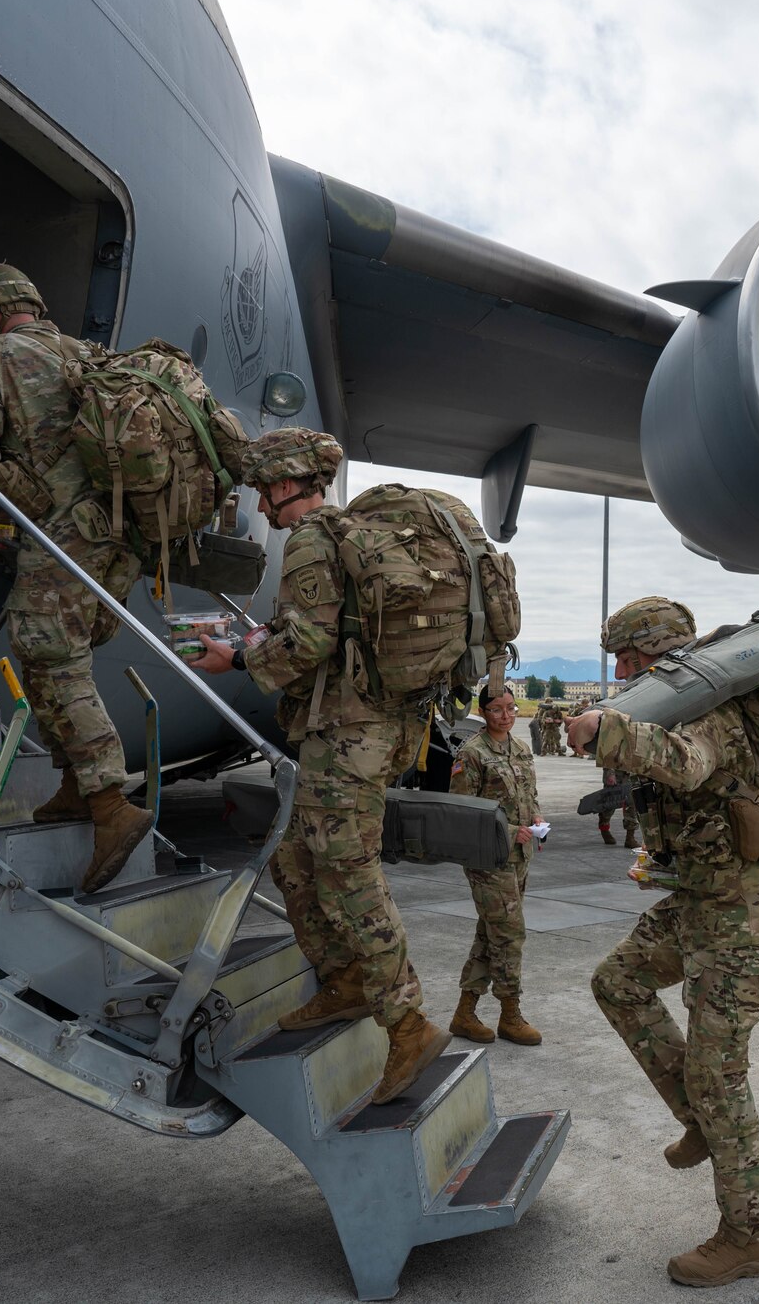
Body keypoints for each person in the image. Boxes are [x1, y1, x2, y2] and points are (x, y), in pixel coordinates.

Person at [183, 427, 448, 1104]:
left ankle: (407, 1022)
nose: (260, 502)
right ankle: (346, 980)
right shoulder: (340, 537)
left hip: (347, 734)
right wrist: (249, 639)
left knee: (351, 876)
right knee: (295, 860)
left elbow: (308, 641)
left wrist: (236, 658)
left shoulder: (309, 540)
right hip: (365, 731)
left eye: (262, 488)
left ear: (283, 484)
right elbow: (323, 630)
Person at [568, 597, 759, 1287]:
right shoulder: (673, 703)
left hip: (738, 917)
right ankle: (695, 1115)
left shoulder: (704, 707)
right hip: (699, 898)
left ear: (656, 652)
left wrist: (607, 731)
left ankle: (748, 1237)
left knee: (719, 1074)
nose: (617, 668)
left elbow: (690, 765)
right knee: (618, 981)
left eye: (625, 656)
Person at [0, 262, 150, 892]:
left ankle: (112, 804)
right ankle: (73, 785)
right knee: (45, 658)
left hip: (62, 537)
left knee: (55, 661)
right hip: (120, 538)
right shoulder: (91, 357)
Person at [447, 684, 544, 1046]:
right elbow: (462, 812)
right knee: (510, 933)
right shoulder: (472, 753)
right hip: (487, 859)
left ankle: (465, 1012)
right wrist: (514, 829)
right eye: (497, 710)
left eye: (511, 708)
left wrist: (536, 817)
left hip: (518, 857)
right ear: (483, 712)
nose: (506, 716)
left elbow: (528, 793)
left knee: (492, 932)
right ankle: (510, 1013)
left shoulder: (519, 748)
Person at [598, 767, 639, 848]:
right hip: (615, 768)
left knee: (631, 802)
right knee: (609, 803)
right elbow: (606, 755)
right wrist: (610, 773)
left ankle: (630, 837)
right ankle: (604, 827)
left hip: (631, 769)